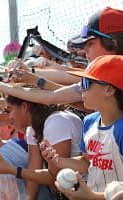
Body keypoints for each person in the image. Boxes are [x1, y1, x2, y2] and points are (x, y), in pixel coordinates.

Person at [0, 7, 123, 106]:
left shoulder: (108, 76)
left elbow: (54, 92)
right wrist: (4, 85)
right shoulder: (98, 76)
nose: (83, 50)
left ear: (112, 43)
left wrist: (28, 77)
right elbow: (53, 94)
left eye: (90, 44)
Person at [41, 55, 123, 199]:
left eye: (85, 83)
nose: (80, 89)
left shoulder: (121, 129)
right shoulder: (90, 121)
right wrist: (58, 160)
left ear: (109, 90)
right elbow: (88, 162)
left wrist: (92, 197)